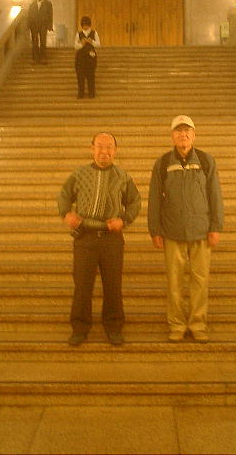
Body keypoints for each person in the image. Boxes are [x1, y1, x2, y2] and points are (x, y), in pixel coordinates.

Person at [57, 132, 141, 346]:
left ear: (115, 150)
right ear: (92, 148)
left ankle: (113, 327)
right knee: (82, 285)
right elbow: (64, 195)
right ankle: (80, 327)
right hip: (84, 237)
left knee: (113, 285)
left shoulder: (123, 177)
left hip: (111, 238)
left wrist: (124, 220)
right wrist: (66, 213)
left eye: (109, 147)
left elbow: (135, 202)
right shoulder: (79, 174)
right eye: (100, 146)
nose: (104, 151)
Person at [147, 115, 224, 343]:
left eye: (187, 131)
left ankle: (198, 324)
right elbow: (154, 199)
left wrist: (216, 226)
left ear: (194, 135)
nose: (183, 135)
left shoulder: (206, 161)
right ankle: (177, 324)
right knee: (174, 281)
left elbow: (215, 195)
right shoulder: (163, 163)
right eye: (179, 131)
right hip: (172, 231)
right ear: (172, 136)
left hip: (201, 230)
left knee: (200, 280)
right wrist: (155, 230)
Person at [74, 16, 100, 98]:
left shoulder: (94, 33)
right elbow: (75, 46)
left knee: (91, 75)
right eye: (83, 25)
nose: (85, 27)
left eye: (86, 25)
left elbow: (98, 44)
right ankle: (81, 93)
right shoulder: (79, 33)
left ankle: (91, 93)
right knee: (80, 76)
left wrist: (91, 41)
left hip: (90, 57)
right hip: (80, 57)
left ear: (89, 25)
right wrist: (82, 44)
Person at [27, 0, 53, 64]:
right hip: (34, 25)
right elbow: (29, 15)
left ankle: (43, 57)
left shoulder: (48, 3)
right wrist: (29, 25)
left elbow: (50, 15)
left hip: (43, 24)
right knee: (34, 41)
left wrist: (50, 26)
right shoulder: (33, 3)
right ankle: (35, 58)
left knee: (43, 41)